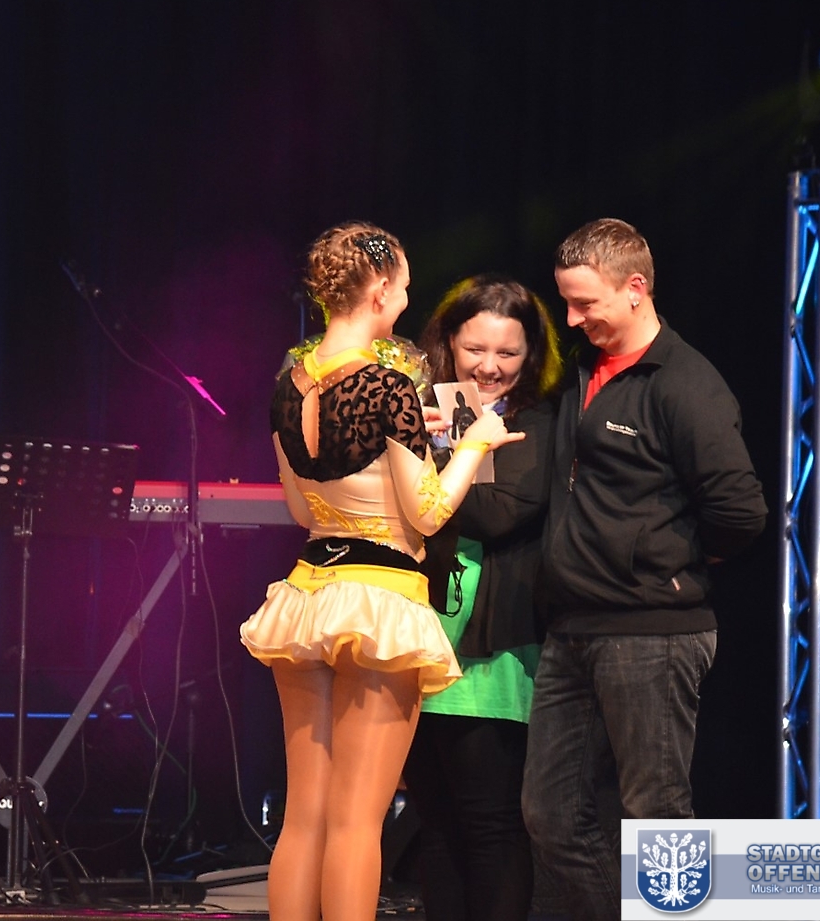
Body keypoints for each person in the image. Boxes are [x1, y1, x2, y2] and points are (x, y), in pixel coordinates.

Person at [240, 222, 522, 921]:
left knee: (305, 816)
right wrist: (475, 443)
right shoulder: (389, 383)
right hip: (380, 597)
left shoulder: (289, 384)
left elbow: (300, 507)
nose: (405, 298)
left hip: (309, 591)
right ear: (379, 291)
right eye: (402, 286)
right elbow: (427, 512)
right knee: (356, 820)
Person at [521, 219, 766, 921]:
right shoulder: (581, 369)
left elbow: (741, 512)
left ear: (635, 288)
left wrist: (667, 561)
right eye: (566, 302)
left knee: (656, 817)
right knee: (550, 815)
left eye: (585, 303)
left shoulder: (685, 383)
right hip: (574, 627)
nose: (572, 319)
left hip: (652, 630)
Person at [393, 275, 563, 921]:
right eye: (475, 349)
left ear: (531, 354)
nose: (490, 366)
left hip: (489, 656)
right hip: (416, 641)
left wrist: (443, 452)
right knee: (435, 824)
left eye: (508, 352)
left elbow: (494, 513)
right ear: (448, 343)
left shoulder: (537, 421)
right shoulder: (425, 410)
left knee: (490, 823)